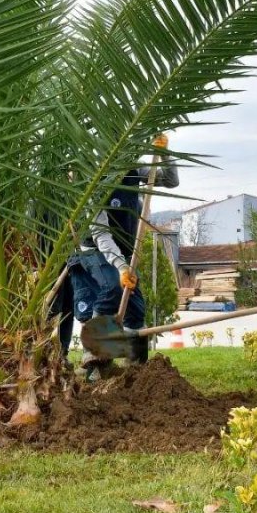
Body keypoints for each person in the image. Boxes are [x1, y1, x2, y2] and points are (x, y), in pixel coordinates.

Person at [76, 134, 179, 367]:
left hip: (124, 249)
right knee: (113, 286)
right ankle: (93, 354)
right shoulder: (95, 182)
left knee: (136, 308)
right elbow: (101, 235)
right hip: (95, 250)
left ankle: (136, 366)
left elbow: (171, 181)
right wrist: (122, 267)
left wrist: (164, 153)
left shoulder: (135, 170)